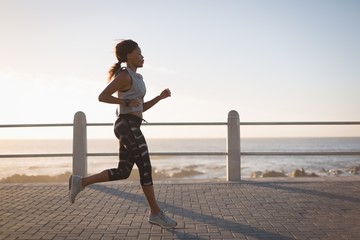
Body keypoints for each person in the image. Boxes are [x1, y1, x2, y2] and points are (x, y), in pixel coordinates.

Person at [69, 39, 177, 229]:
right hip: (126, 125)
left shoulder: (139, 78)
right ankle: (156, 213)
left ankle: (81, 182)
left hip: (132, 124)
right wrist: (125, 103)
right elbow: (102, 96)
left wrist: (159, 98)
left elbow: (140, 107)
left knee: (123, 172)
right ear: (128, 55)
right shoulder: (125, 75)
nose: (142, 56)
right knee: (145, 166)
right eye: (139, 52)